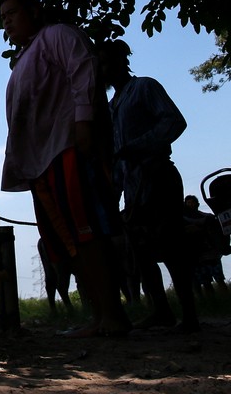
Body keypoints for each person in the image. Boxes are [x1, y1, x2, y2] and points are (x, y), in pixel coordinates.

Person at [0, 0, 131, 338]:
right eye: (3, 17)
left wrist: (84, 122)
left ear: (35, 11)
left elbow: (83, 71)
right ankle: (99, 315)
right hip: (43, 162)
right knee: (67, 241)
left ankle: (112, 315)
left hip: (67, 148)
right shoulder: (25, 57)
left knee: (87, 233)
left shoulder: (56, 35)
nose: (7, 21)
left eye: (12, 12)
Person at [96, 39, 198, 331]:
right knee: (140, 252)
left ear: (120, 61)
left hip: (158, 177)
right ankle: (162, 311)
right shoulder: (113, 106)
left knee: (171, 247)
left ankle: (190, 316)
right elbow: (117, 156)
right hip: (133, 187)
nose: (102, 71)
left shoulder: (144, 87)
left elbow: (174, 122)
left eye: (104, 63)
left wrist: (138, 147)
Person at [183, 194, 230, 300]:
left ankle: (225, 301)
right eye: (188, 203)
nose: (190, 205)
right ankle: (212, 303)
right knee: (206, 282)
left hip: (212, 254)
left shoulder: (208, 217)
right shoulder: (184, 220)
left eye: (192, 202)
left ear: (197, 204)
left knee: (219, 280)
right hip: (198, 256)